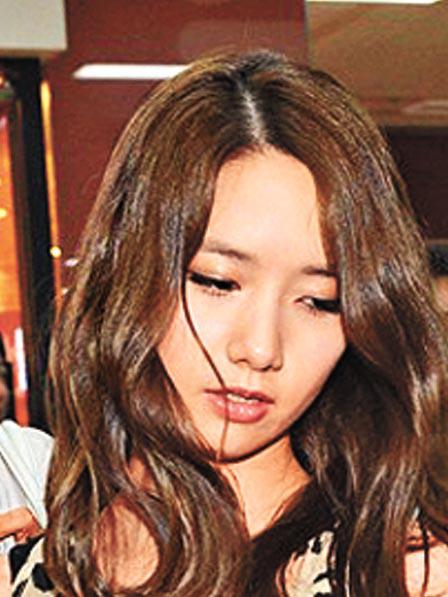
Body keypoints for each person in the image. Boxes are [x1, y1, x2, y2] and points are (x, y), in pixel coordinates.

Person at [9, 49, 448, 596]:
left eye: (320, 301)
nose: (261, 348)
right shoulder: (47, 568)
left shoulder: (401, 577)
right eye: (217, 282)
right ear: (132, 272)